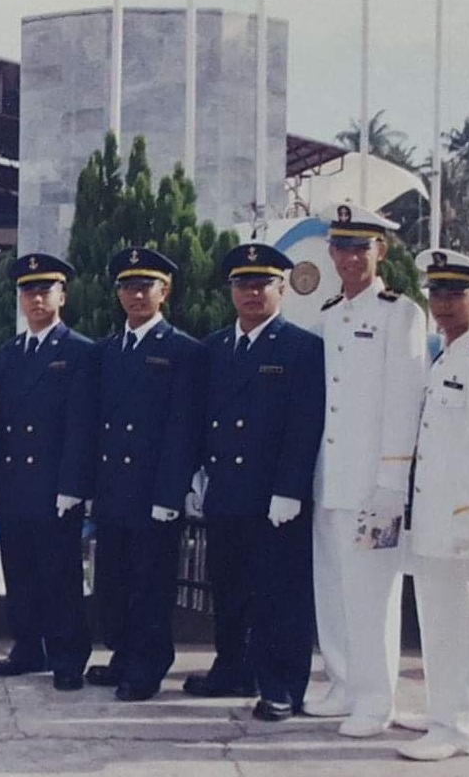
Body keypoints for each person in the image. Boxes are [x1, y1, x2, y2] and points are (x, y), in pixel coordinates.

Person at [182, 243, 324, 721]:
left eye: (263, 283)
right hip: (226, 490)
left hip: (273, 496)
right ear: (231, 291)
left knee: (279, 595)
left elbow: (304, 424)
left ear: (282, 289)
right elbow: (201, 416)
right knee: (229, 590)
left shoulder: (301, 348)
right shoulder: (215, 347)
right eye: (243, 284)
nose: (252, 292)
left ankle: (282, 685)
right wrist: (197, 473)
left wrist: (290, 488)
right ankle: (232, 670)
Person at [305, 203, 427, 737]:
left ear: (381, 251)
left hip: (374, 485)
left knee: (372, 595)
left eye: (360, 247)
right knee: (332, 588)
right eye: (341, 247)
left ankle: (376, 700)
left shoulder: (401, 314)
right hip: (330, 479)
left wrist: (391, 485)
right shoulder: (330, 314)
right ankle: (343, 683)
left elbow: (404, 402)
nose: (349, 258)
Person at [396, 248, 469, 761]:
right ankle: (442, 711)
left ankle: (461, 727)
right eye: (436, 292)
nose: (442, 303)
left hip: (461, 523)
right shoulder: (447, 356)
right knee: (437, 623)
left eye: (454, 294)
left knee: (461, 628)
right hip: (433, 518)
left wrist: (468, 518)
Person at [83, 247, 204, 702]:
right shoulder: (106, 351)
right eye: (127, 287)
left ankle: (149, 664)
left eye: (145, 286)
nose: (136, 295)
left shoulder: (182, 350)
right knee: (114, 583)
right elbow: (95, 424)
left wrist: (170, 493)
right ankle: (122, 655)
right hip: (113, 488)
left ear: (164, 292)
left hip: (154, 492)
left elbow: (183, 428)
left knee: (151, 584)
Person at [0, 254, 96, 692]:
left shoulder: (79, 351)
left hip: (54, 485)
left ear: (62, 296)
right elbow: (0, 421)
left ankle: (67, 656)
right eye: (28, 291)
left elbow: (81, 425)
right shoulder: (10, 352)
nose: (35, 299)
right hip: (14, 483)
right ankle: (28, 648)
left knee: (59, 575)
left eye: (44, 290)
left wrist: (73, 485)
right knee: (20, 573)